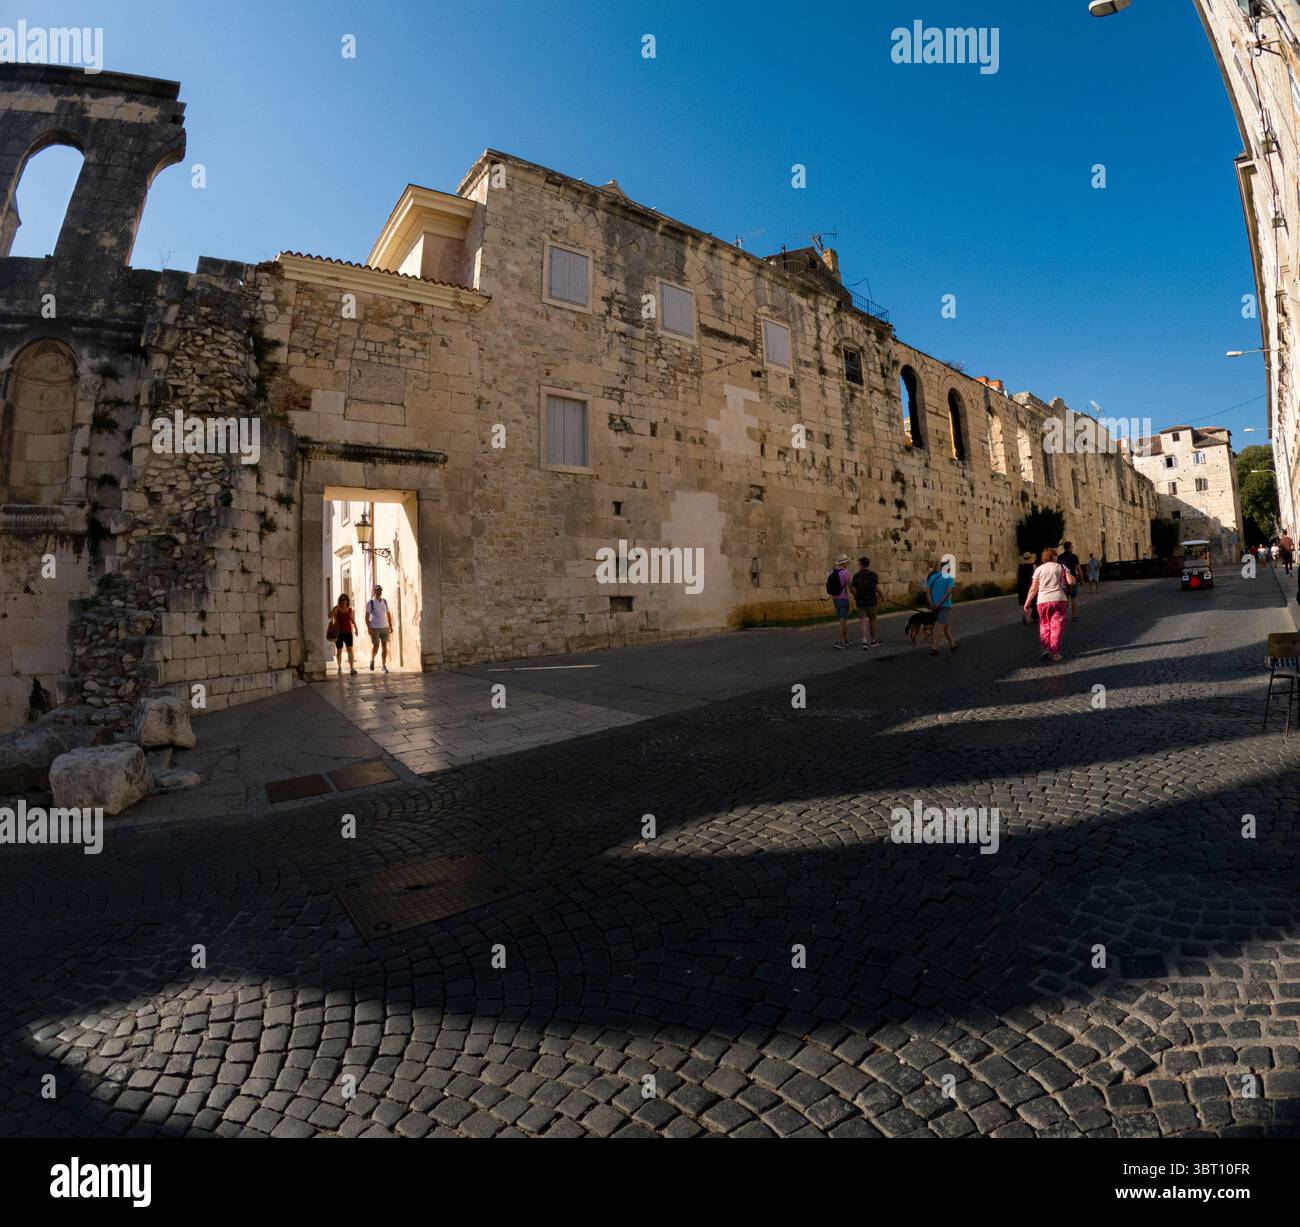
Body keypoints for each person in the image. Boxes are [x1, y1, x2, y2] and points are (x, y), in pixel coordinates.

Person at [1024, 546, 1075, 662]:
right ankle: (1055, 653)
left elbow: (1033, 589)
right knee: (1056, 626)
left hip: (1042, 601)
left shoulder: (1039, 569)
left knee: (1044, 624)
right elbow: (1071, 582)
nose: (1057, 556)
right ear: (1053, 556)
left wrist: (1027, 602)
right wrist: (1070, 574)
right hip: (1059, 599)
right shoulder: (1061, 567)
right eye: (1056, 555)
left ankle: (1045, 649)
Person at [924, 559, 959, 656]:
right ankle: (934, 647)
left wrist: (931, 603)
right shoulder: (949, 578)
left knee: (945, 625)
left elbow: (927, 591)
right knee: (940, 625)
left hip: (934, 606)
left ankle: (952, 644)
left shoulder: (933, 577)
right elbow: (948, 593)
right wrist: (939, 603)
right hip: (944, 605)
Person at [850, 556, 882, 649]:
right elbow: (876, 588)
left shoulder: (856, 576)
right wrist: (882, 596)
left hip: (861, 601)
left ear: (861, 564)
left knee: (863, 621)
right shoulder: (873, 575)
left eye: (859, 563)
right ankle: (874, 640)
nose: (858, 565)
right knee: (872, 620)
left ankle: (864, 640)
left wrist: (856, 596)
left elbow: (853, 588)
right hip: (872, 600)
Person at [366, 584, 394, 672]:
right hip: (375, 627)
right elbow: (366, 616)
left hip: (385, 627)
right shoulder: (370, 602)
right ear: (374, 591)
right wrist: (369, 628)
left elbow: (388, 613)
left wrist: (390, 625)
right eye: (378, 590)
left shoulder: (385, 601)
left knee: (384, 646)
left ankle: (383, 666)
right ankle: (372, 660)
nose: (380, 591)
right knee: (376, 645)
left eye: (381, 590)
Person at [329, 593, 358, 676]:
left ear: (347, 601)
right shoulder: (337, 609)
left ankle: (352, 668)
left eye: (345, 599)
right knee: (339, 651)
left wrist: (356, 628)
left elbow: (352, 620)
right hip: (339, 633)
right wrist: (334, 609)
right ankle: (339, 667)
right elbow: (329, 616)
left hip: (348, 632)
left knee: (350, 650)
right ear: (339, 600)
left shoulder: (349, 609)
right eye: (342, 599)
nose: (343, 601)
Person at [828, 555, 852, 649]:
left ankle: (846, 640)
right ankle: (841, 641)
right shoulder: (845, 572)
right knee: (843, 621)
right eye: (847, 562)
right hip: (843, 599)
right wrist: (855, 595)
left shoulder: (832, 571)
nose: (848, 563)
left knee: (843, 620)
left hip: (835, 599)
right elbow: (850, 586)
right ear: (844, 563)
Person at [1058, 540, 1082, 623]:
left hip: (1063, 581)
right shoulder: (1074, 556)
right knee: (1074, 598)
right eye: (1072, 547)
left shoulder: (1060, 557)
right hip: (1073, 580)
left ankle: (1063, 617)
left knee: (1064, 599)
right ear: (1070, 547)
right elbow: (1078, 569)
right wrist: (1082, 579)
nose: (1073, 548)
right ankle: (1074, 616)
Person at [1015, 551, 1037, 626]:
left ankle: (1024, 615)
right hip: (1030, 585)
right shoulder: (1033, 566)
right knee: (1031, 602)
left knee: (1024, 602)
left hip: (1021, 586)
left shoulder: (1020, 566)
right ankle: (1028, 619)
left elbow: (1017, 575)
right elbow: (1036, 577)